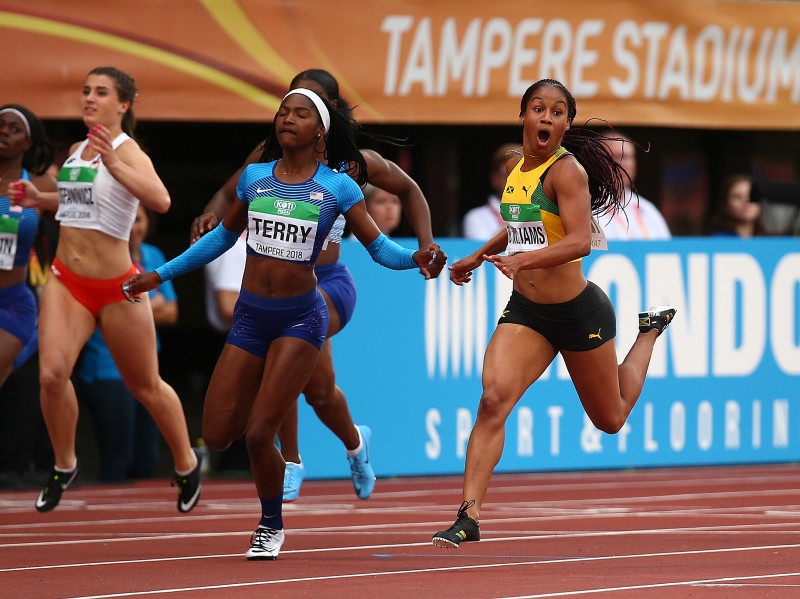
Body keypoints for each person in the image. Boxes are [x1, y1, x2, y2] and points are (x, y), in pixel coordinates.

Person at [123, 87, 444, 560]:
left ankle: (270, 524)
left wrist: (417, 257)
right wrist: (159, 274)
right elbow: (219, 241)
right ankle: (309, 458)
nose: (287, 119)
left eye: (300, 114)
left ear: (321, 132)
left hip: (301, 317)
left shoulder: (339, 187)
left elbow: (379, 248)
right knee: (216, 433)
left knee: (259, 433)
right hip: (251, 317)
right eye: (282, 112)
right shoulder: (254, 179)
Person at [431, 79, 676, 549]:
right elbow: (516, 227)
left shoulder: (568, 173)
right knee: (492, 399)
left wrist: (523, 261)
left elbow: (580, 240)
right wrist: (476, 257)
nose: (547, 117)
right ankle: (468, 516)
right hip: (528, 312)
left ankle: (648, 334)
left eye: (558, 111)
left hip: (579, 313)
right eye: (538, 108)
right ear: (522, 116)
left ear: (565, 124)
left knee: (611, 419)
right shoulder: (515, 168)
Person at [191, 68, 444, 503]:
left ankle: (291, 460)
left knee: (280, 346)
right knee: (321, 393)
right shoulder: (269, 156)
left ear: (328, 115)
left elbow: (411, 190)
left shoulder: (353, 164)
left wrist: (425, 245)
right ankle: (356, 444)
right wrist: (210, 213)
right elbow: (230, 188)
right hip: (282, 285)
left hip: (329, 283)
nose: (293, 115)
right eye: (289, 104)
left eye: (308, 105)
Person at [8, 66, 200, 512]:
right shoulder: (76, 150)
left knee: (145, 385)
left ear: (123, 104)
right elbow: (79, 202)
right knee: (52, 375)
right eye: (85, 91)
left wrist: (113, 161)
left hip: (118, 287)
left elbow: (162, 200)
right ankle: (64, 463)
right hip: (66, 281)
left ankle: (186, 461)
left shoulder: (128, 152)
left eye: (100, 92)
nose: (89, 99)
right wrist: (40, 200)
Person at [74, 204, 178, 481]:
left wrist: (127, 306)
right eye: (127, 220)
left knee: (147, 458)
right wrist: (148, 304)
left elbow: (172, 312)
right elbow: (96, 310)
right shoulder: (97, 256)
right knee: (117, 460)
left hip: (147, 369)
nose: (134, 227)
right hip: (107, 370)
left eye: (139, 220)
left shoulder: (154, 255)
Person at [0, 105, 57, 387]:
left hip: (12, 304)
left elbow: (87, 206)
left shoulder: (40, 184)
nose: (4, 132)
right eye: (0, 125)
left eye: (15, 129)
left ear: (28, 141)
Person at [596, 131, 671, 240]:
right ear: (596, 162)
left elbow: (667, 252)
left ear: (634, 164)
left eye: (626, 157)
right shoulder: (587, 207)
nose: (621, 164)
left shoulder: (647, 210)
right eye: (614, 157)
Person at [462, 143, 521, 240]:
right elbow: (481, 253)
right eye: (508, 176)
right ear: (494, 179)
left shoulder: (542, 212)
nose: (515, 182)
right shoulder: (476, 217)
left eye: (521, 176)